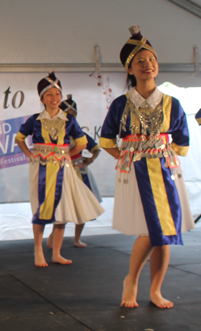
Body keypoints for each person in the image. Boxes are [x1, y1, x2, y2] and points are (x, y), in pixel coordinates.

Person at [100, 26, 194, 309]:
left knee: (164, 233)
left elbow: (182, 143)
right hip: (135, 173)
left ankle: (155, 289)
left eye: (151, 60)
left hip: (165, 172)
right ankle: (131, 280)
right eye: (140, 61)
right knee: (150, 230)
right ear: (130, 68)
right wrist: (128, 158)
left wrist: (160, 155)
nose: (147, 65)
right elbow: (106, 140)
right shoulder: (121, 104)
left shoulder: (172, 104)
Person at [15, 72, 104, 267]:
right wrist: (30, 155)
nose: (54, 98)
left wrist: (66, 153)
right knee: (41, 205)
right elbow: (19, 138)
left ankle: (56, 253)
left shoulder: (69, 120)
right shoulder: (35, 119)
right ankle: (38, 250)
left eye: (57, 94)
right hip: (41, 167)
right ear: (41, 98)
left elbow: (81, 143)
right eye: (49, 95)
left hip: (63, 167)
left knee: (62, 208)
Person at [47, 95, 102, 248]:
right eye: (67, 114)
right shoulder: (55, 133)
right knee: (62, 206)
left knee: (83, 206)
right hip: (62, 172)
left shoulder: (80, 133)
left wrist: (89, 159)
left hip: (80, 172)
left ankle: (77, 238)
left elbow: (95, 149)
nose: (71, 117)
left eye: (73, 114)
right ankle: (53, 237)